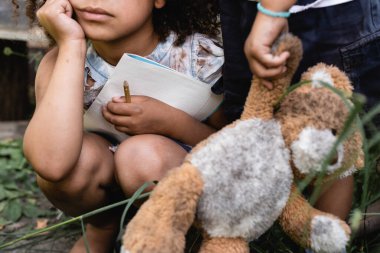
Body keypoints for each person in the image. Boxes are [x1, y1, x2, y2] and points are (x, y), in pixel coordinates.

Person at [19, 0, 224, 252]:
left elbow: (233, 146)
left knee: (141, 155)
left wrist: (173, 123)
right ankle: (103, 226)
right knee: (74, 167)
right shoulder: (61, 61)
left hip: (182, 180)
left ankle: (179, 237)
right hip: (107, 172)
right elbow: (51, 163)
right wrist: (72, 45)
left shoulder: (200, 57)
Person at [219, 0, 380, 248]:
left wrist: (272, 11)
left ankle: (324, 240)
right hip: (251, 10)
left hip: (318, 14)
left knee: (323, 136)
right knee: (255, 117)